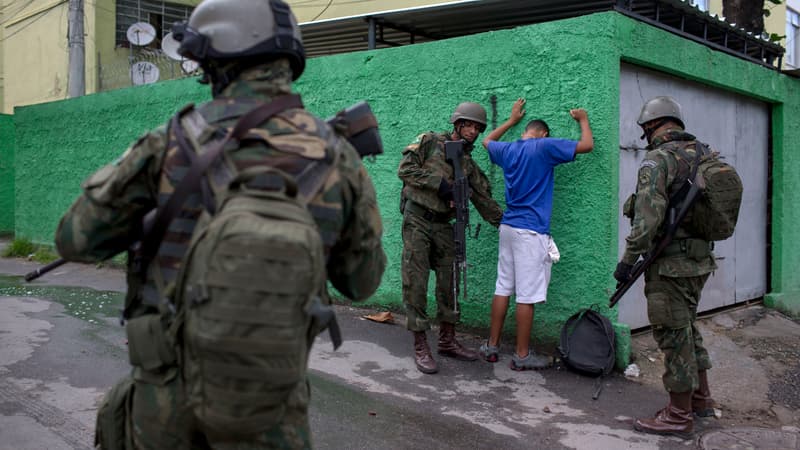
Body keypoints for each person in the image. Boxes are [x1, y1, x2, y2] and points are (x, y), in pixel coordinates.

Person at [53, 0, 386, 448]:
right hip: (272, 415)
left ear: (217, 59)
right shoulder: (339, 157)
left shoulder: (171, 141)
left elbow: (75, 240)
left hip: (162, 410)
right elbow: (362, 283)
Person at [615, 96, 717, 438]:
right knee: (687, 326)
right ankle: (700, 398)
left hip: (671, 264)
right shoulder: (703, 154)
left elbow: (647, 219)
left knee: (673, 335)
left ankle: (678, 415)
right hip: (699, 261)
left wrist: (628, 262)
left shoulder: (658, 160)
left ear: (650, 126)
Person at [478, 98, 594, 370]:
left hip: (508, 227)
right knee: (527, 295)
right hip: (531, 231)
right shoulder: (545, 146)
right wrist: (584, 120)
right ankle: (521, 356)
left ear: (525, 131)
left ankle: (491, 347)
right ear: (543, 133)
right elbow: (587, 145)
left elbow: (486, 141)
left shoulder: (508, 150)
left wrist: (511, 120)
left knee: (502, 287)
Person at [397, 101, 503, 374]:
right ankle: (421, 344)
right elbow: (405, 170)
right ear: (457, 124)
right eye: (469, 125)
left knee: (450, 283)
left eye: (478, 128)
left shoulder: (467, 164)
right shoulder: (430, 142)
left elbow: (483, 198)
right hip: (418, 219)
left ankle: (447, 340)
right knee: (416, 282)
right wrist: (441, 187)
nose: (473, 131)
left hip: (445, 225)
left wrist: (507, 224)